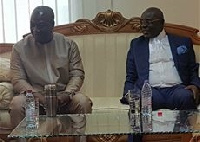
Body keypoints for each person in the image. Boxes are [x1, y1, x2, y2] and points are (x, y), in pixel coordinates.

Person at [120, 7, 200, 142]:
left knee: (186, 96)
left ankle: (178, 138)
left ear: (161, 23)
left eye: (149, 22)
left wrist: (195, 85)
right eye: (142, 22)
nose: (143, 25)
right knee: (138, 104)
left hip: (177, 90)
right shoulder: (136, 44)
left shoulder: (182, 42)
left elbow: (193, 68)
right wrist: (129, 94)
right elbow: (131, 75)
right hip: (149, 92)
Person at [9, 6, 92, 129]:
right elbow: (18, 79)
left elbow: (77, 74)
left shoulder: (68, 44)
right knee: (17, 104)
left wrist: (67, 94)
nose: (35, 29)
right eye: (32, 25)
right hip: (34, 99)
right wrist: (38, 97)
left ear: (52, 25)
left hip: (64, 98)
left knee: (82, 102)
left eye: (41, 25)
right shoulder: (20, 48)